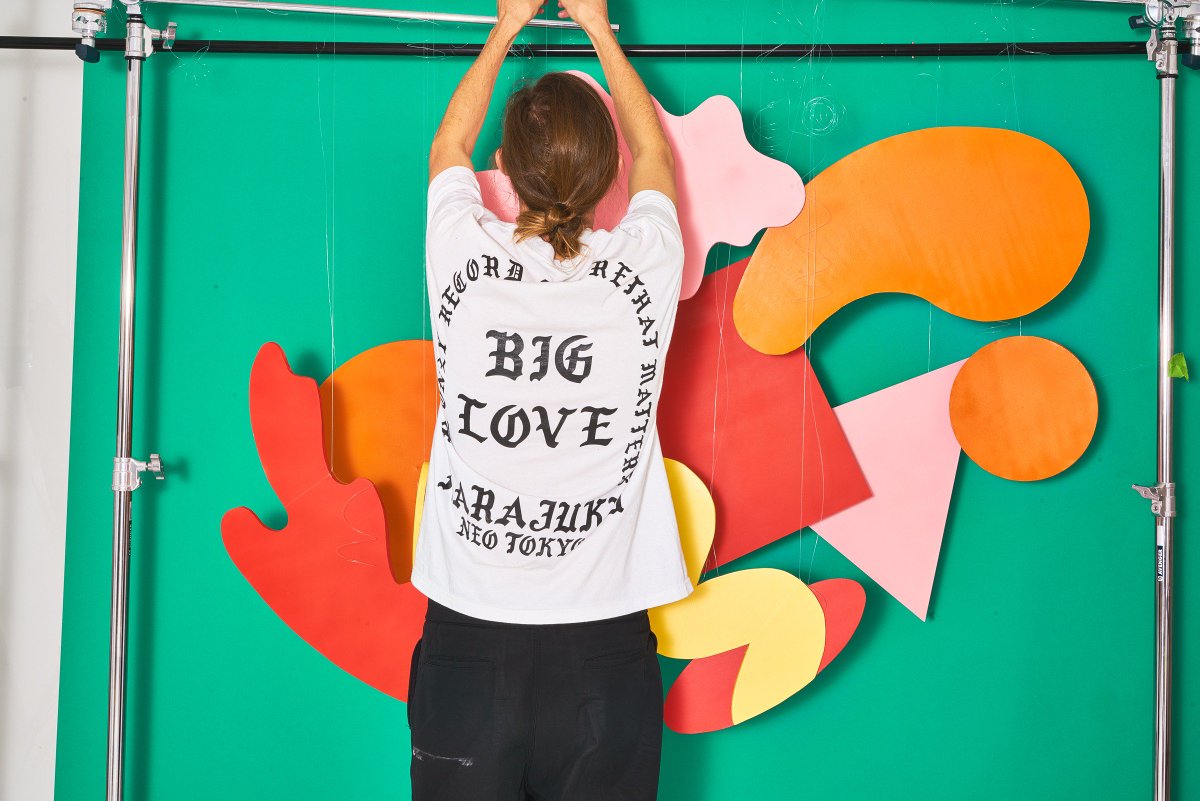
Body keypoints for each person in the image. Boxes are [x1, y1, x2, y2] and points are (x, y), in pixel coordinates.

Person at [407, 0, 692, 797]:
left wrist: (507, 25)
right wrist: (598, 26)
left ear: (504, 166)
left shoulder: (460, 249)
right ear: (609, 175)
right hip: (604, 649)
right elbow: (655, 152)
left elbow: (447, 146)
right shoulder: (646, 264)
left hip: (471, 638)